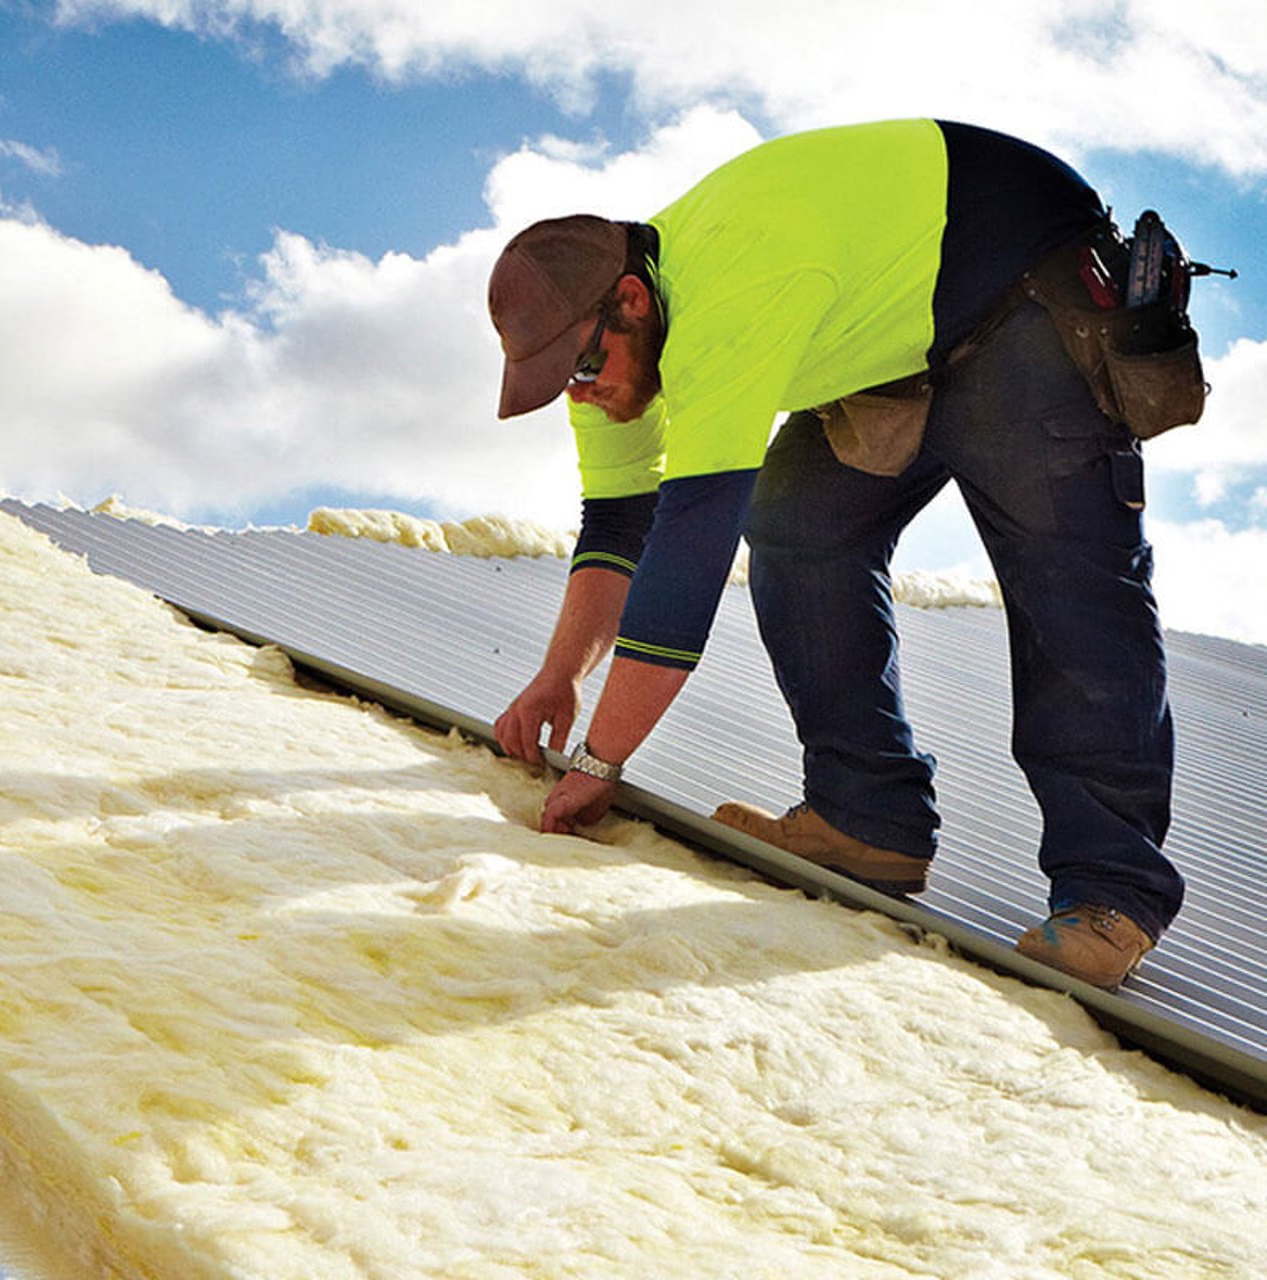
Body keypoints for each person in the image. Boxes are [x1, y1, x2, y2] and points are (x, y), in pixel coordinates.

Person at [486, 119, 1183, 989]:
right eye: (564, 378)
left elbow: (688, 558)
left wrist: (600, 762)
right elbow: (621, 530)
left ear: (630, 300)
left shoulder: (726, 296)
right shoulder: (609, 357)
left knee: (1068, 581)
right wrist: (560, 676)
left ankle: (1112, 891)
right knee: (798, 523)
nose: (582, 392)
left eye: (584, 366)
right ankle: (867, 818)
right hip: (901, 335)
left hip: (1025, 293)